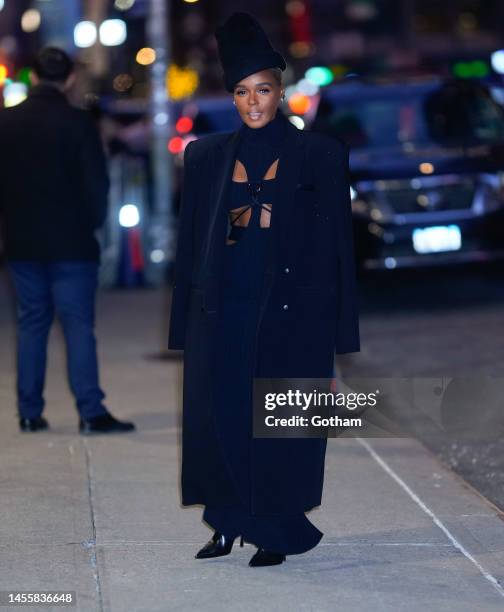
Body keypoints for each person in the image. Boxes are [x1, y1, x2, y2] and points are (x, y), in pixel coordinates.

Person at [168, 13, 360, 567]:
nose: (253, 102)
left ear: (281, 91)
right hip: (223, 309)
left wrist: (339, 328)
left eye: (264, 90)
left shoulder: (321, 154)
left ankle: (275, 529)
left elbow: (338, 248)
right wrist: (185, 323)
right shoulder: (205, 156)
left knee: (282, 427)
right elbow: (192, 248)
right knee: (220, 419)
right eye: (242, 92)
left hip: (292, 315)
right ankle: (226, 522)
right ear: (232, 97)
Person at [0, 47, 135, 435]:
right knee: (77, 325)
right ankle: (91, 412)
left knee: (32, 324)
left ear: (33, 77)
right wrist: (93, 225)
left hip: (23, 241)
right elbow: (97, 184)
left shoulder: (6, 123)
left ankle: (29, 412)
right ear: (71, 78)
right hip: (73, 243)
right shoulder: (78, 123)